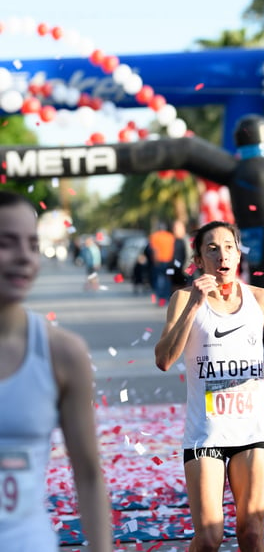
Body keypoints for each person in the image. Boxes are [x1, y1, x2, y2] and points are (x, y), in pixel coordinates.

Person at [155, 220, 264, 552]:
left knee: (252, 533)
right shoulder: (183, 300)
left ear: (238, 255)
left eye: (228, 247)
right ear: (198, 260)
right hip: (205, 433)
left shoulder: (262, 299)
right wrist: (196, 304)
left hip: (251, 432)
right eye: (211, 249)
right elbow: (164, 359)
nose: (221, 255)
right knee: (210, 536)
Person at [0, 191, 113, 552]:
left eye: (32, 244)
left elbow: (89, 474)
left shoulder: (63, 353)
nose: (23, 257)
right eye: (7, 243)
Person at [148, 222, 175, 304]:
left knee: (159, 279)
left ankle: (160, 298)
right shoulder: (171, 237)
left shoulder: (154, 236)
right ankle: (167, 296)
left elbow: (153, 250)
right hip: (169, 262)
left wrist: (155, 261)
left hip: (158, 262)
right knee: (168, 279)